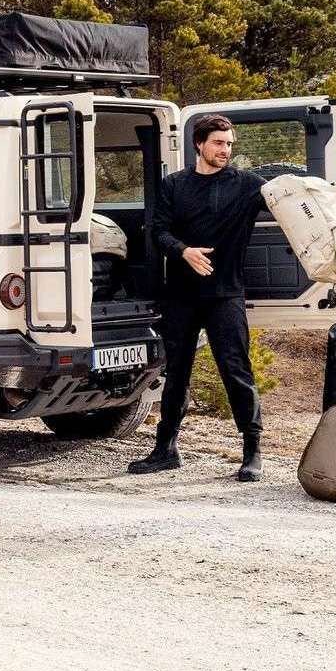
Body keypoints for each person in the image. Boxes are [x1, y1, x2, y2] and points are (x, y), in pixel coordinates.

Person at [128, 114, 266, 482]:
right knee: (176, 373)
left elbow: (294, 200)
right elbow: (158, 231)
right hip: (181, 295)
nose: (226, 150)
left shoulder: (248, 185)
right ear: (199, 144)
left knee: (236, 371)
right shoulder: (174, 184)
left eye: (230, 144)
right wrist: (184, 251)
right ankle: (166, 449)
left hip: (225, 294)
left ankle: (252, 452)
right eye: (219, 143)